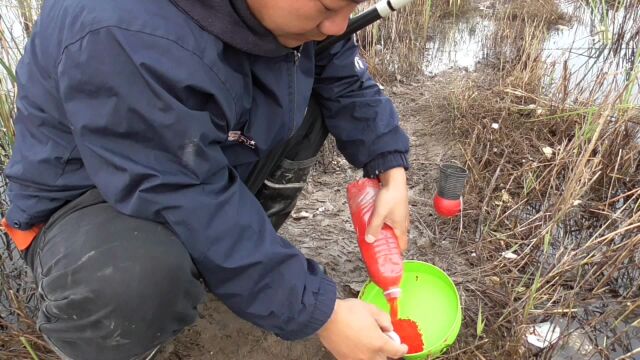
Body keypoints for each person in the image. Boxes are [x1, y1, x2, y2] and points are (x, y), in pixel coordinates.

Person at [2, 0, 411, 359]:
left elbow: (338, 67)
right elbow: (185, 193)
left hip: (187, 158)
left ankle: (230, 270)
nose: (339, 25)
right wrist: (323, 314)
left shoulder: (295, 18)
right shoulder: (121, 29)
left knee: (310, 100)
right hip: (84, 197)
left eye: (350, 6)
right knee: (137, 279)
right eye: (327, 7)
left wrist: (388, 165)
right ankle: (110, 340)